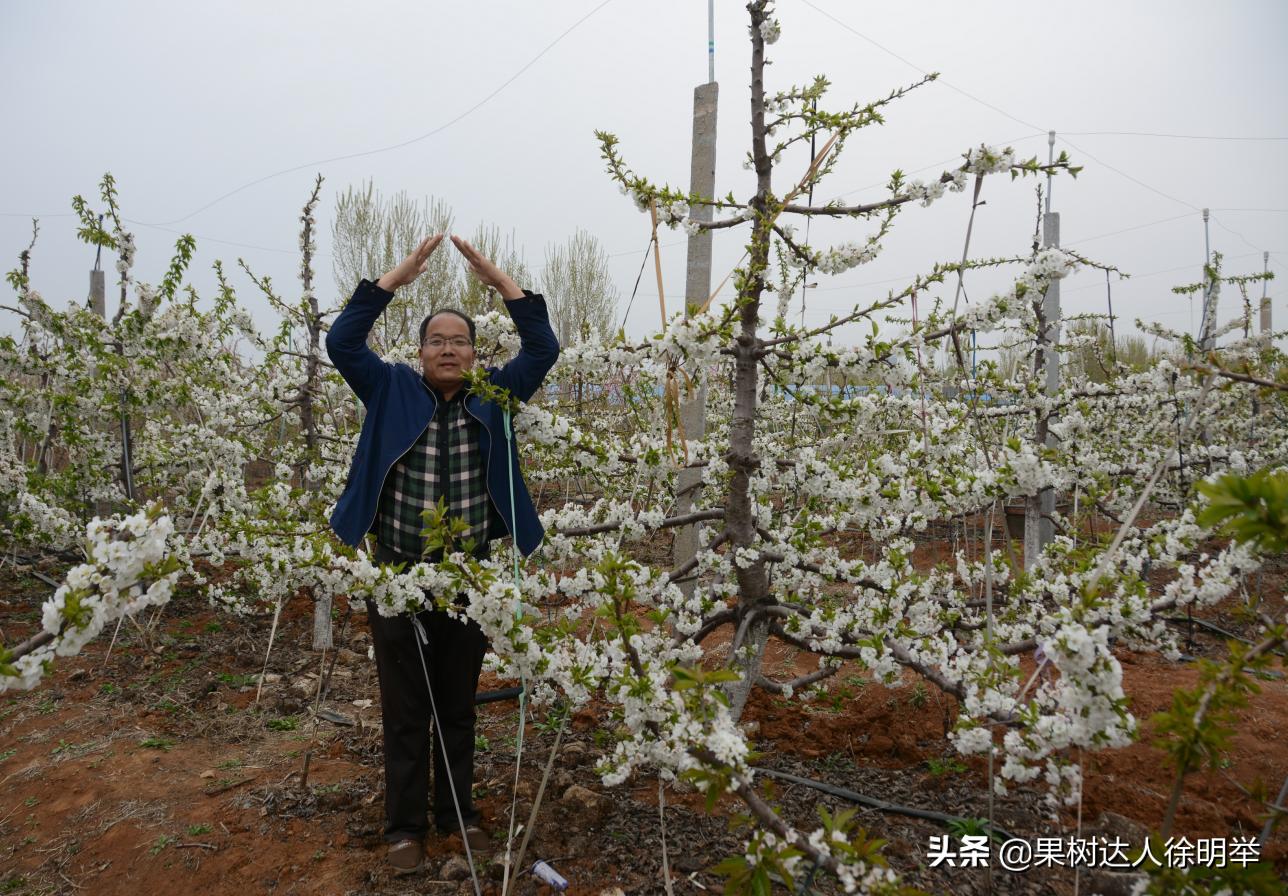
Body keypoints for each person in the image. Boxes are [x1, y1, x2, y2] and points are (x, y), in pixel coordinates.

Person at [325, 234, 559, 875]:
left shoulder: (498, 394)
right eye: (437, 341)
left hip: (471, 575)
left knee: (456, 702)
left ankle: (460, 814)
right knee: (405, 706)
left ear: (475, 355)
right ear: (420, 351)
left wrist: (502, 283)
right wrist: (391, 282)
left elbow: (544, 348)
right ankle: (405, 828)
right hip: (396, 570)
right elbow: (342, 343)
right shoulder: (389, 388)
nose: (448, 349)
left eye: (460, 341)